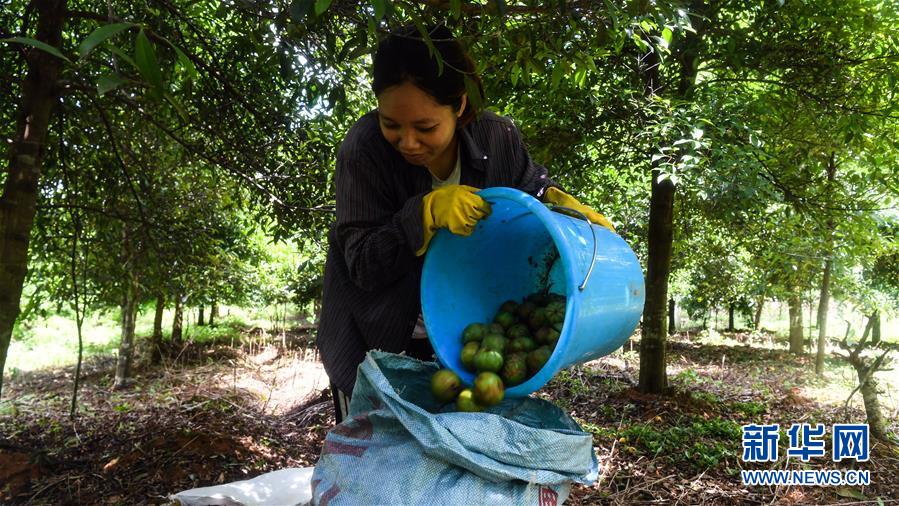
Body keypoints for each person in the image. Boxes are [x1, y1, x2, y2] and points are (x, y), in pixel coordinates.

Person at [316, 25, 613, 423]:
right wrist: (422, 216)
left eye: (425, 128)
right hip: (376, 343)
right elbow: (362, 264)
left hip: (460, 340)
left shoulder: (496, 137)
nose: (407, 142)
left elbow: (531, 188)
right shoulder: (365, 150)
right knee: (379, 470)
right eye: (392, 124)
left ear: (458, 105)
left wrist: (557, 199)